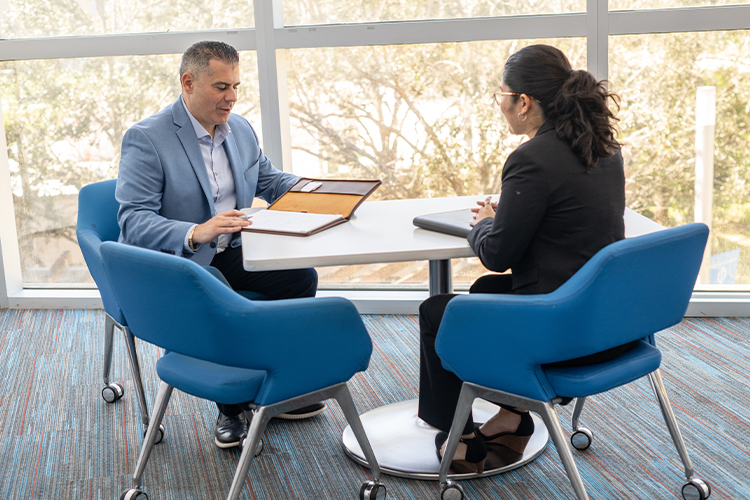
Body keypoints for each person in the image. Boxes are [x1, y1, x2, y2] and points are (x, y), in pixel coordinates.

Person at [418, 44, 628, 474]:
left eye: (502, 95)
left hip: (561, 333)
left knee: (439, 311)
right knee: (481, 294)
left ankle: (457, 438)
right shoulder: (604, 148)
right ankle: (512, 418)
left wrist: (485, 223)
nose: (501, 105)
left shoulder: (531, 158)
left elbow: (497, 254)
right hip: (609, 322)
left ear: (524, 102)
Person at [115, 41, 324, 450]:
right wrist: (196, 231)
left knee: (300, 278)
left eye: (236, 86)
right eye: (221, 87)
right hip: (179, 262)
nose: (231, 97)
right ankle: (231, 408)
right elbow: (133, 220)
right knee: (216, 290)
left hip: (233, 250)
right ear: (188, 83)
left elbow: (268, 180)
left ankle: (272, 389)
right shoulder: (147, 138)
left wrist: (316, 191)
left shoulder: (239, 128)